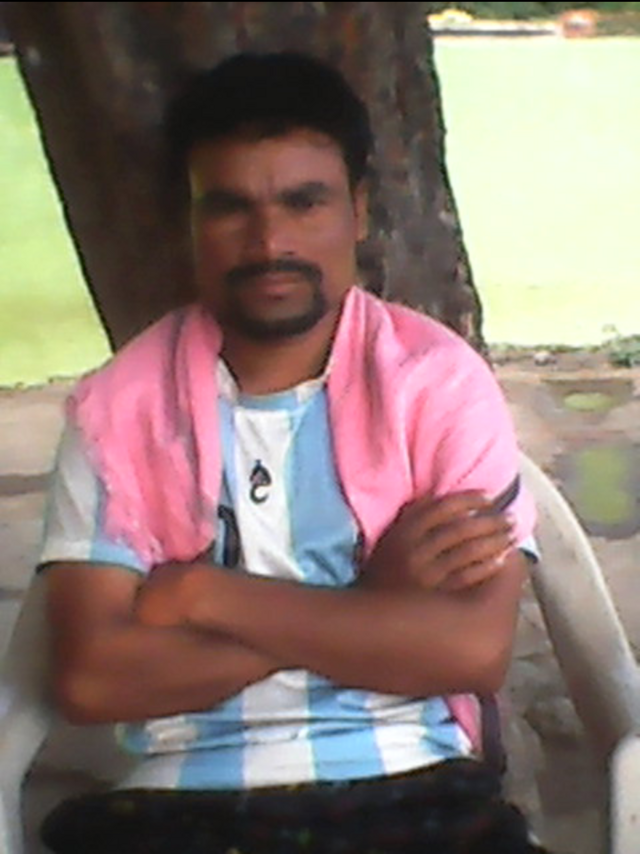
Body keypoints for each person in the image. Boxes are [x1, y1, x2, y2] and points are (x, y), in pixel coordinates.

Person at [38, 51, 548, 854]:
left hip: (412, 779)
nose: (270, 241)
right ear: (190, 220)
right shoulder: (119, 410)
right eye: (230, 207)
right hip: (181, 797)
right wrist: (372, 602)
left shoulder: (437, 384)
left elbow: (471, 649)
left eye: (304, 202)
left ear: (358, 211)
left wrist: (205, 594)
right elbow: (92, 679)